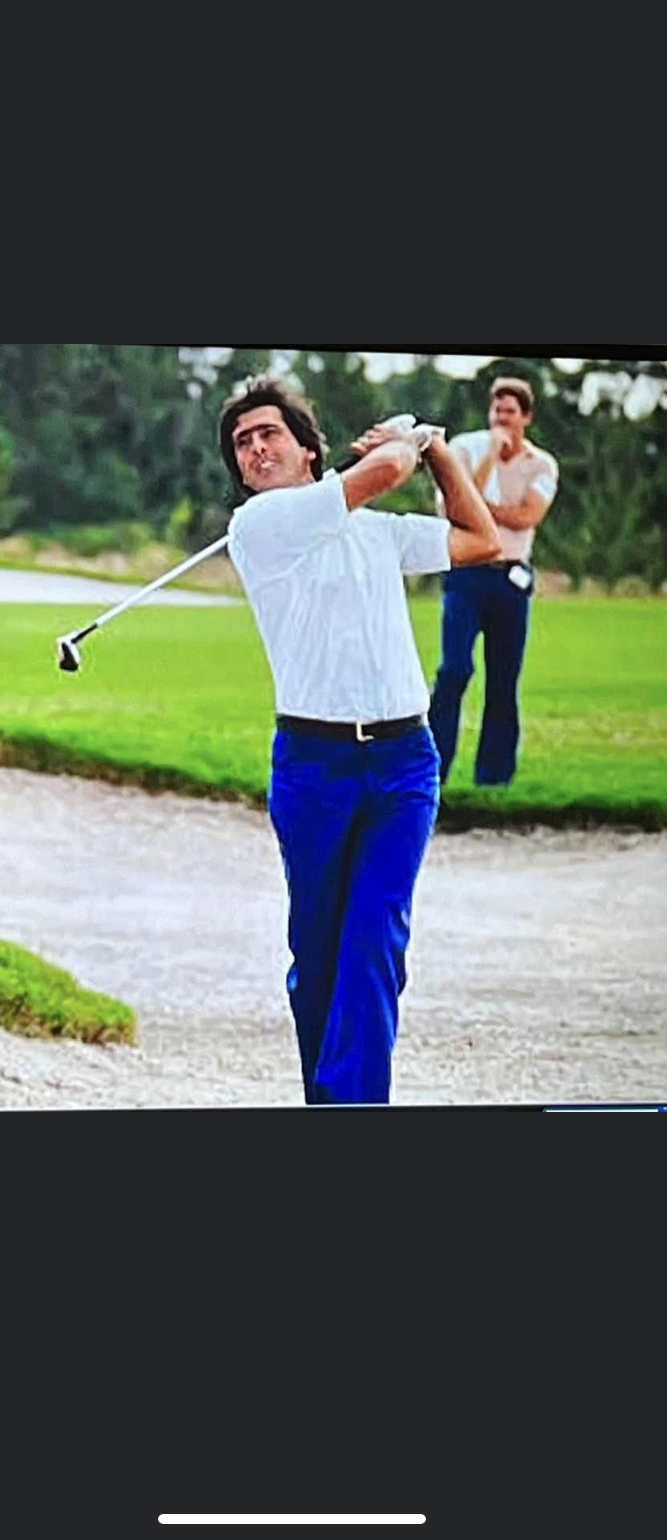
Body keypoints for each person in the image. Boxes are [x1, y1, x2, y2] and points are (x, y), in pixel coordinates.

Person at [219, 376, 500, 1107]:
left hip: (405, 765)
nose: (254, 450)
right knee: (317, 958)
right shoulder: (258, 527)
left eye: (268, 434)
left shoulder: (376, 533)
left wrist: (438, 452)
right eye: (242, 444)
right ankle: (331, 1102)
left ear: (308, 449)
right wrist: (405, 445)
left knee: (375, 945)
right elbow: (379, 472)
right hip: (315, 766)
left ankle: (355, 1110)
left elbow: (481, 538)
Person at [429, 376, 559, 788]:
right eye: (496, 410)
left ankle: (494, 778)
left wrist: (480, 509)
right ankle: (433, 770)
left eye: (510, 412)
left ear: (526, 417)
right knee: (454, 670)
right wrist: (490, 459)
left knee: (504, 678)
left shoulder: (541, 464)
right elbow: (456, 509)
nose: (501, 418)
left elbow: (527, 517)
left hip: (511, 577)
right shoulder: (466, 449)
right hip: (467, 573)